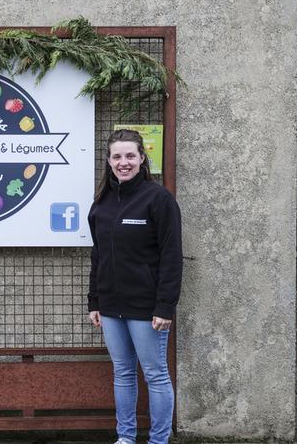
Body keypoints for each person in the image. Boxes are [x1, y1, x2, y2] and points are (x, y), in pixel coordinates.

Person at [87, 129, 182, 444]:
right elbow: (98, 255)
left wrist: (165, 305)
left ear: (143, 159)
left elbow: (171, 256)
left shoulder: (159, 199)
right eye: (117, 156)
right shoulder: (101, 202)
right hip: (112, 308)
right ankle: (125, 437)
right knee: (123, 374)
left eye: (130, 155)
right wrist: (95, 301)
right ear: (109, 161)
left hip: (147, 309)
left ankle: (158, 440)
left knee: (155, 375)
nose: (123, 162)